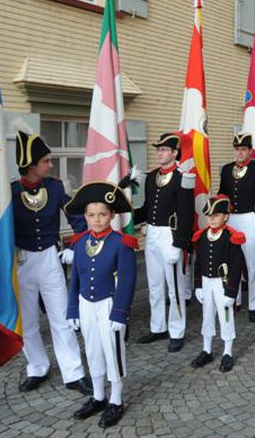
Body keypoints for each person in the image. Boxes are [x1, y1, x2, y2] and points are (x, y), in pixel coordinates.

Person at [11, 127, 90, 395]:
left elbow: (77, 219)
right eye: (46, 160)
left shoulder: (56, 188)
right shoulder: (8, 191)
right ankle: (37, 366)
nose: (51, 164)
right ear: (31, 165)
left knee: (61, 316)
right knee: (29, 321)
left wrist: (79, 246)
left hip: (49, 258)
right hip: (20, 261)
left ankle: (73, 372)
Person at [65, 181, 138, 428]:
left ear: (112, 215)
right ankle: (98, 396)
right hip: (86, 305)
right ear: (85, 216)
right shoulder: (79, 242)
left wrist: (120, 313)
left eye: (102, 215)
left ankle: (116, 400)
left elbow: (127, 281)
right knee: (93, 350)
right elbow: (75, 277)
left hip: (109, 304)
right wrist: (72, 308)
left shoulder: (121, 243)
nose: (97, 220)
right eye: (91, 215)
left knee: (113, 352)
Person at [134, 133, 195, 352]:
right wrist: (125, 211)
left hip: (171, 235)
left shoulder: (183, 177)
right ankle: (158, 327)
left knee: (175, 287)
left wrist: (180, 243)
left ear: (175, 153)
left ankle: (177, 331)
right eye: (158, 150)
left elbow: (187, 215)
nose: (159, 153)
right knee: (155, 284)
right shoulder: (151, 177)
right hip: (151, 234)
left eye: (164, 150)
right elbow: (146, 208)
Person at [218, 132, 255, 322]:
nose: (239, 153)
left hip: (249, 219)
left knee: (252, 264)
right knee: (232, 262)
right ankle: (235, 298)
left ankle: (254, 304)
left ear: (249, 151)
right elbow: (221, 195)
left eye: (243, 149)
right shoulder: (225, 170)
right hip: (231, 219)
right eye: (237, 149)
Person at [191, 195, 245, 373]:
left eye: (216, 215)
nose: (211, 219)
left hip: (223, 283)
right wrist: (198, 284)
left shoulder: (231, 237)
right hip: (206, 282)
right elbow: (198, 263)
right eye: (209, 216)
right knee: (207, 315)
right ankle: (206, 350)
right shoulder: (202, 237)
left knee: (226, 317)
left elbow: (237, 267)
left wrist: (231, 292)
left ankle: (227, 351)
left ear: (226, 216)